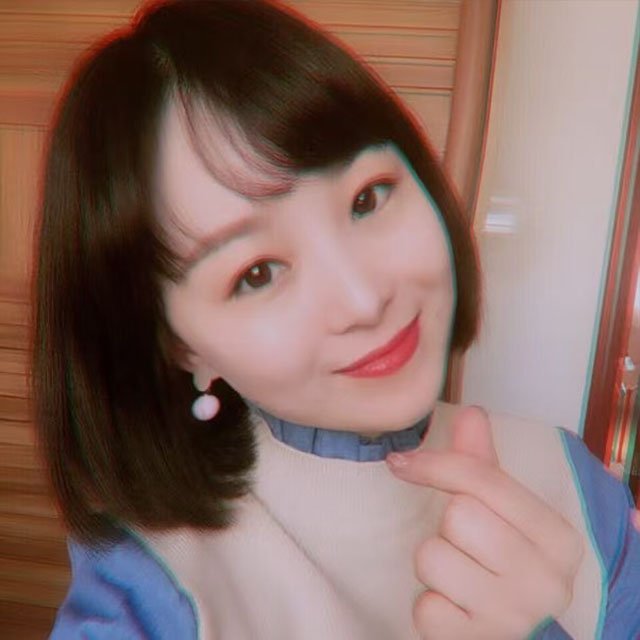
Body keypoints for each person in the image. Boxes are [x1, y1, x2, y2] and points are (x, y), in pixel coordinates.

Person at [33, 1, 639, 638]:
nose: (363, 299)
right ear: (181, 348)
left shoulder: (569, 478)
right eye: (257, 273)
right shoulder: (151, 590)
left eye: (367, 198)